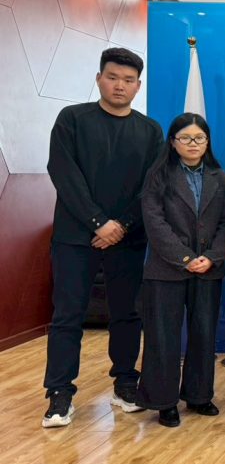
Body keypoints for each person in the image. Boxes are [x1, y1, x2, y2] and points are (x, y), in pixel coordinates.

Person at [41, 47, 163, 428]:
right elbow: (63, 173)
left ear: (138, 86)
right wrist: (98, 222)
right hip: (75, 237)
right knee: (67, 315)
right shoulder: (72, 119)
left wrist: (120, 226)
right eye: (112, 77)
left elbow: (151, 186)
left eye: (128, 80)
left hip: (127, 238)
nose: (119, 85)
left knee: (127, 314)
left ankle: (125, 383)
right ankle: (59, 394)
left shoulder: (150, 131)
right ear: (98, 79)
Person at [137, 113, 225, 427]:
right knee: (163, 336)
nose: (193, 144)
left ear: (207, 142)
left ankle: (199, 395)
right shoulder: (158, 175)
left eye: (199, 138)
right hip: (166, 270)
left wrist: (212, 257)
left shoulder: (221, 178)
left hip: (207, 269)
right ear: (173, 142)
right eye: (185, 138)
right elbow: (154, 222)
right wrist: (184, 257)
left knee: (204, 334)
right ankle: (164, 401)